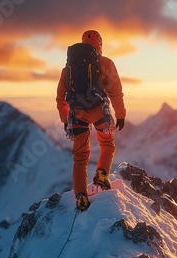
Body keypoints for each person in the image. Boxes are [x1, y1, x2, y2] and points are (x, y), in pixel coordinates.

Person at [56, 30, 126, 211]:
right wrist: (120, 114)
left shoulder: (68, 69)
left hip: (77, 114)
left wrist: (65, 119)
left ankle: (80, 196)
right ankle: (102, 175)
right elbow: (115, 91)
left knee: (80, 157)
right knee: (107, 143)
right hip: (99, 112)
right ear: (99, 44)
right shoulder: (105, 63)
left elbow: (60, 98)